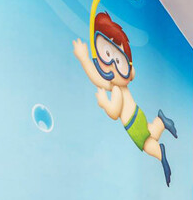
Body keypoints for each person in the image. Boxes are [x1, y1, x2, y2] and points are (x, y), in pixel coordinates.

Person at [73, 11, 177, 186]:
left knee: (146, 143)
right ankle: (160, 121)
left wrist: (104, 103)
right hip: (138, 115)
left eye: (119, 61)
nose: (113, 65)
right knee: (150, 131)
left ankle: (160, 153)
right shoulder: (120, 85)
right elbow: (98, 79)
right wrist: (84, 59)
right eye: (107, 55)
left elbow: (114, 112)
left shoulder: (116, 90)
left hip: (132, 123)